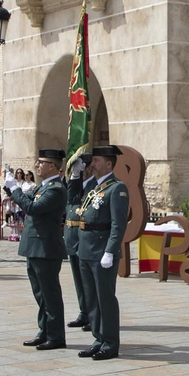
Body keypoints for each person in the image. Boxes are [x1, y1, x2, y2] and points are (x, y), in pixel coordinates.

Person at [12, 150, 69, 350]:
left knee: (49, 293)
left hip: (46, 247)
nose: (37, 165)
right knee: (40, 293)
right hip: (34, 246)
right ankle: (44, 331)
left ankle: (56, 336)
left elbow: (33, 208)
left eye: (41, 162)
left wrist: (15, 190)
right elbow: (27, 200)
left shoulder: (56, 189)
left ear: (52, 166)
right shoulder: (43, 187)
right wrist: (14, 189)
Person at [75, 146, 128, 360]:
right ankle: (98, 338)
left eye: (96, 161)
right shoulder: (93, 187)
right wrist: (75, 175)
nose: (92, 164)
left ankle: (110, 343)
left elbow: (118, 224)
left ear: (108, 163)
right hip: (86, 248)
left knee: (105, 298)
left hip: (101, 249)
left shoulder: (117, 188)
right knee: (92, 299)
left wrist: (110, 250)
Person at [65, 160, 91, 330]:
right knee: (78, 279)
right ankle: (84, 312)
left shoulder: (97, 186)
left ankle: (94, 315)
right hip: (73, 237)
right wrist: (74, 177)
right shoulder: (74, 185)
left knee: (90, 281)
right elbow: (70, 199)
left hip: (87, 240)